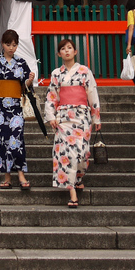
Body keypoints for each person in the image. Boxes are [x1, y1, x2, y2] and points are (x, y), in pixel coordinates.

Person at [43, 38, 101, 209]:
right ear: (59, 53)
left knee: (82, 153)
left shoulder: (84, 71)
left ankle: (79, 176)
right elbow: (51, 96)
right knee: (67, 154)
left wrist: (96, 117)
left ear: (75, 52)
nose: (66, 51)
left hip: (82, 117)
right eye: (63, 49)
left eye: (70, 48)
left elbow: (92, 93)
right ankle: (72, 193)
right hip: (63, 119)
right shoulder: (56, 74)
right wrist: (51, 116)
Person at [0, 29, 33, 189]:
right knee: (2, 141)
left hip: (16, 107)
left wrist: (29, 81)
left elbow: (25, 88)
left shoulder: (21, 63)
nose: (11, 48)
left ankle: (21, 175)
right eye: (8, 44)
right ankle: (7, 177)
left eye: (14, 45)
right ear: (2, 44)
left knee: (17, 140)